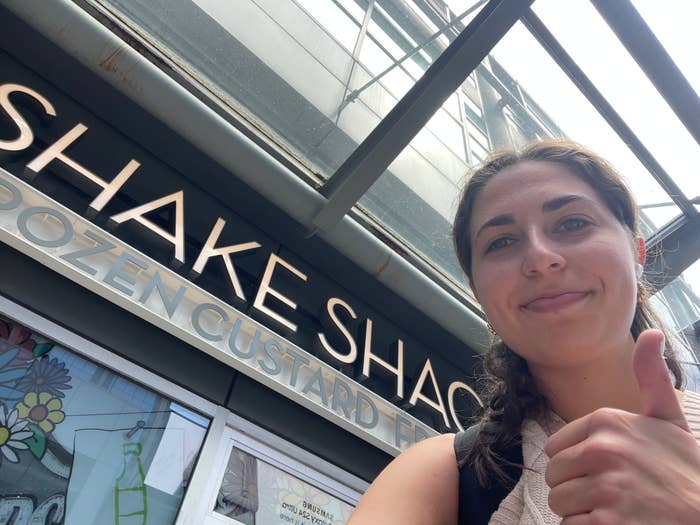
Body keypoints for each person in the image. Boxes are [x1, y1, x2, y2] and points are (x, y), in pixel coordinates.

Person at [346, 139, 700, 524]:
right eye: (501, 242)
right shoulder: (440, 474)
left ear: (637, 254)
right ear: (479, 295)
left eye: (572, 223)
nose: (539, 257)